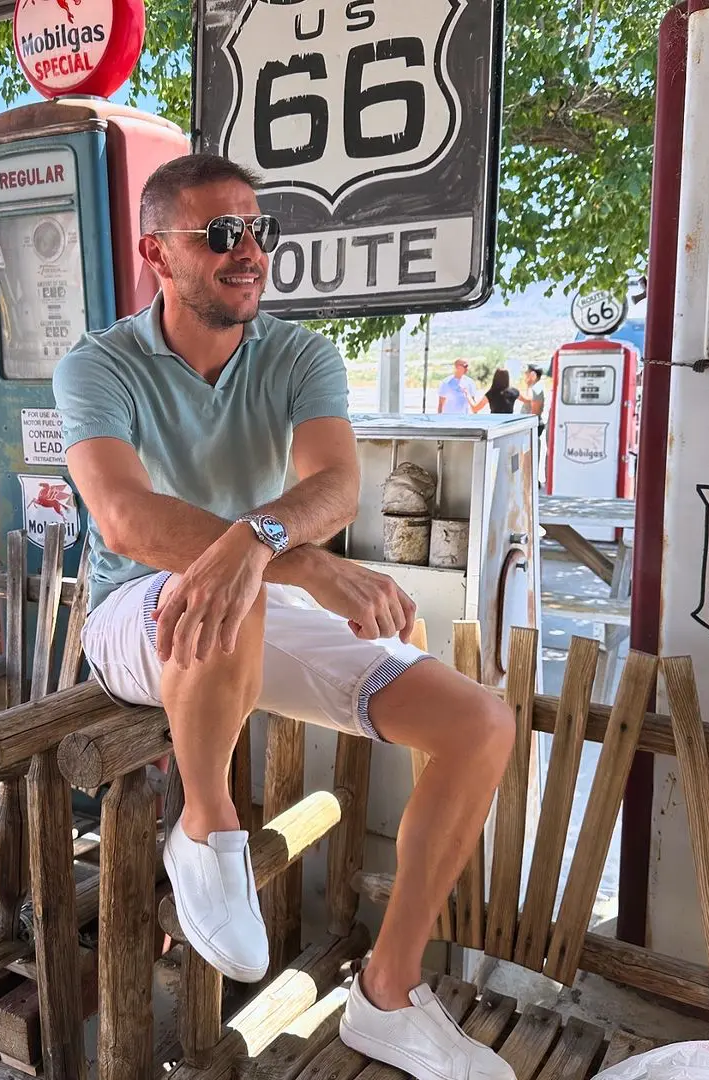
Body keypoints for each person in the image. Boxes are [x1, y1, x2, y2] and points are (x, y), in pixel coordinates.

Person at [53, 153, 515, 1080]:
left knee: (479, 723)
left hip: (251, 604)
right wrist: (288, 558)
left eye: (261, 230)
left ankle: (386, 995)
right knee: (223, 596)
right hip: (129, 616)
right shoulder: (99, 365)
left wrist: (262, 547)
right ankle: (206, 822)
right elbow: (126, 519)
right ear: (157, 252)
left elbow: (339, 485)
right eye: (220, 234)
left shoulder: (297, 354)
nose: (249, 251)